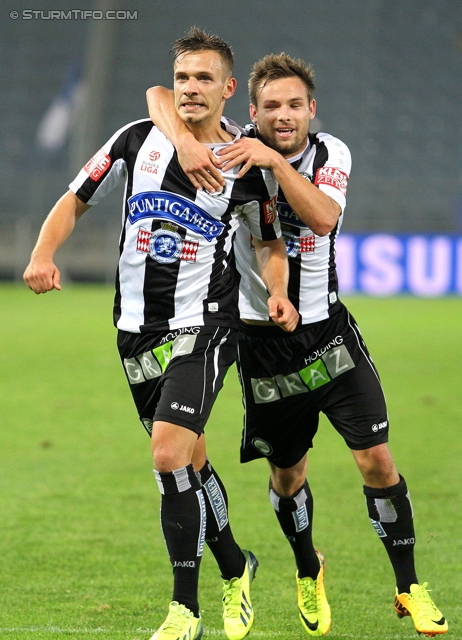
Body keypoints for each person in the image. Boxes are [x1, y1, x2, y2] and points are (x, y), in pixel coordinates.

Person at [146, 53, 448, 637]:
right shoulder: (230, 148)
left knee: (377, 460)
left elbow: (323, 217)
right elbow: (159, 95)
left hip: (330, 334)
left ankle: (410, 587)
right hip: (262, 345)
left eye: (294, 106)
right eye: (271, 108)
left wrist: (274, 164)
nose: (283, 117)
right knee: (287, 477)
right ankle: (308, 567)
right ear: (251, 111)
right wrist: (185, 139)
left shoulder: (331, 153)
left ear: (312, 110)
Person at [23, 29, 299, 640]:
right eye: (182, 79)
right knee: (190, 465)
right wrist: (44, 253)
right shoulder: (138, 137)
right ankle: (236, 565)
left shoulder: (246, 164)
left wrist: (277, 292)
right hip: (133, 328)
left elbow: (268, 240)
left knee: (167, 454)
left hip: (205, 320)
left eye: (204, 79)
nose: (190, 89)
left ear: (229, 89)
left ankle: (184, 610)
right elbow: (77, 197)